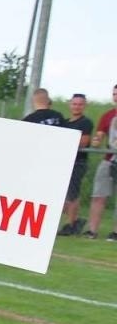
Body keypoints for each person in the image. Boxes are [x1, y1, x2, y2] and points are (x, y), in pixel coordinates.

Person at [60, 93, 94, 236]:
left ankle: (72, 223)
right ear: (70, 104)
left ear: (84, 105)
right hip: (64, 160)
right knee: (62, 194)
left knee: (72, 194)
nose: (77, 106)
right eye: (74, 104)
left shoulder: (85, 122)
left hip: (78, 161)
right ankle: (75, 220)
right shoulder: (65, 123)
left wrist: (66, 141)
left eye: (80, 104)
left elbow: (84, 141)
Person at [89, 83, 117, 240]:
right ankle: (92, 231)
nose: (115, 97)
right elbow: (99, 136)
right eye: (114, 94)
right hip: (109, 159)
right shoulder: (107, 116)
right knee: (99, 195)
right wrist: (97, 140)